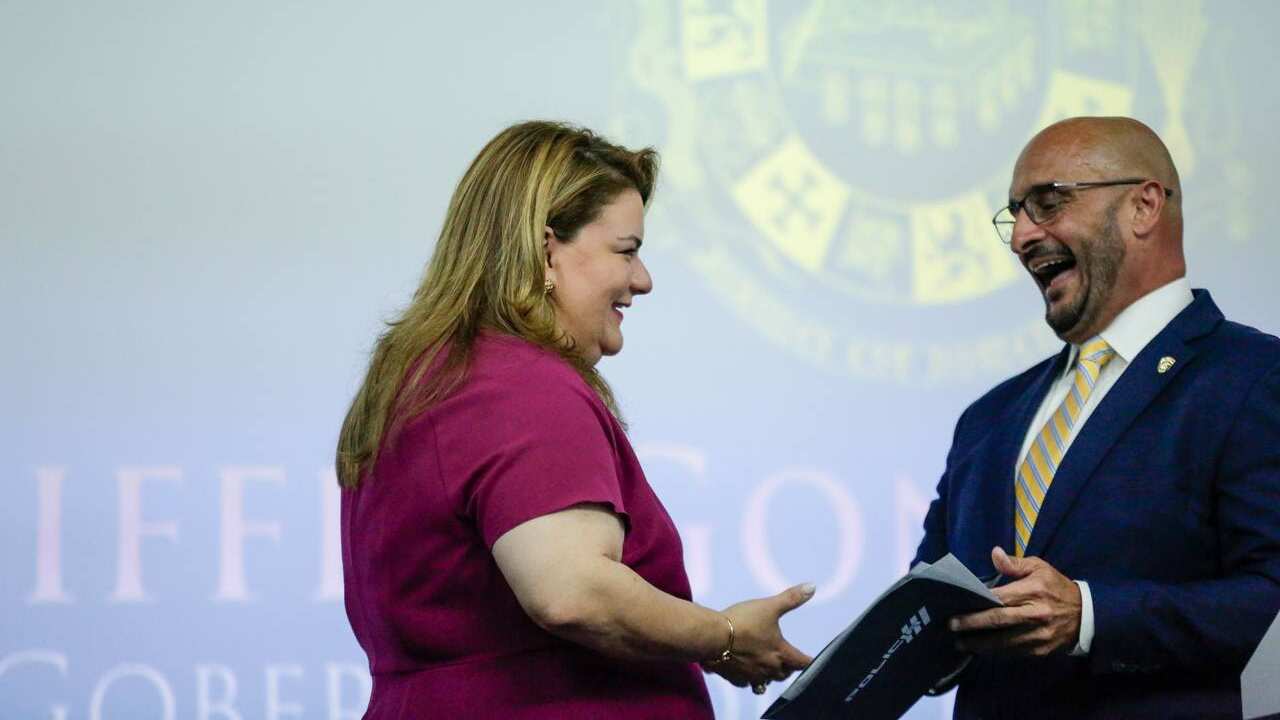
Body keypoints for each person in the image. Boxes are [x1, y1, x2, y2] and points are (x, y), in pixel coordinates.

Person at [335, 120, 813, 719]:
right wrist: (726, 637)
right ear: (545, 249)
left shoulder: (429, 375)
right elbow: (573, 592)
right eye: (627, 250)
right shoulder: (521, 384)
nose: (642, 280)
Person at [915, 116, 1280, 718]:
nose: (1021, 237)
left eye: (1048, 202)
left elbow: (1273, 601)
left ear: (1143, 206)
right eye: (1016, 214)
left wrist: (1092, 615)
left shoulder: (1253, 379)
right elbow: (926, 611)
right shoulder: (988, 418)